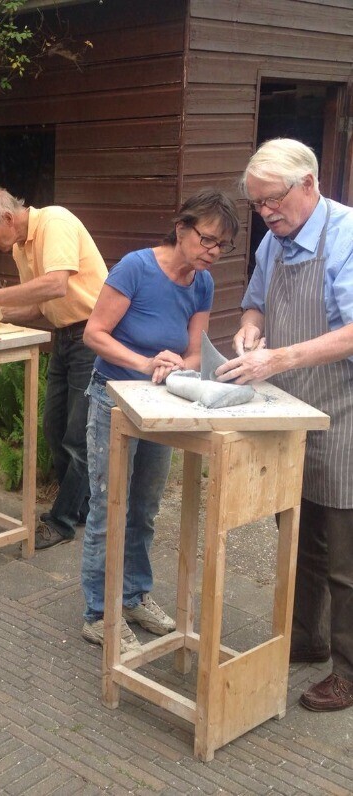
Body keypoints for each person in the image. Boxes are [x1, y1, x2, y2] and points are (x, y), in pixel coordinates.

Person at [216, 138, 353, 712]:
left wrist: (280, 358)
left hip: (343, 410)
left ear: (309, 185)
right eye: (257, 205)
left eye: (273, 200)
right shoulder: (275, 242)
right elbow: (256, 304)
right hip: (289, 408)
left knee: (346, 552)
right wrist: (251, 330)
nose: (267, 213)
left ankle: (348, 672)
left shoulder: (346, 235)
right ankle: (307, 638)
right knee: (298, 532)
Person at [81, 189, 239, 652]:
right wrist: (146, 362)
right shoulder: (136, 267)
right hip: (113, 401)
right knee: (108, 507)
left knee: (145, 509)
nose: (212, 252)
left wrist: (181, 366)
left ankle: (132, 597)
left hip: (161, 408)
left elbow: (194, 351)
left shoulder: (203, 283)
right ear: (181, 229)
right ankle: (97, 612)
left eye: (221, 245)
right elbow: (95, 334)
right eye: (207, 240)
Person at [0, 185, 108, 550]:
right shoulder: (20, 246)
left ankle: (60, 521)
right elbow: (37, 305)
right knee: (54, 429)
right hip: (64, 338)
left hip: (92, 337)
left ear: (9, 219)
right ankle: (83, 509)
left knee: (78, 437)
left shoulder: (55, 221)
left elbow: (57, 284)